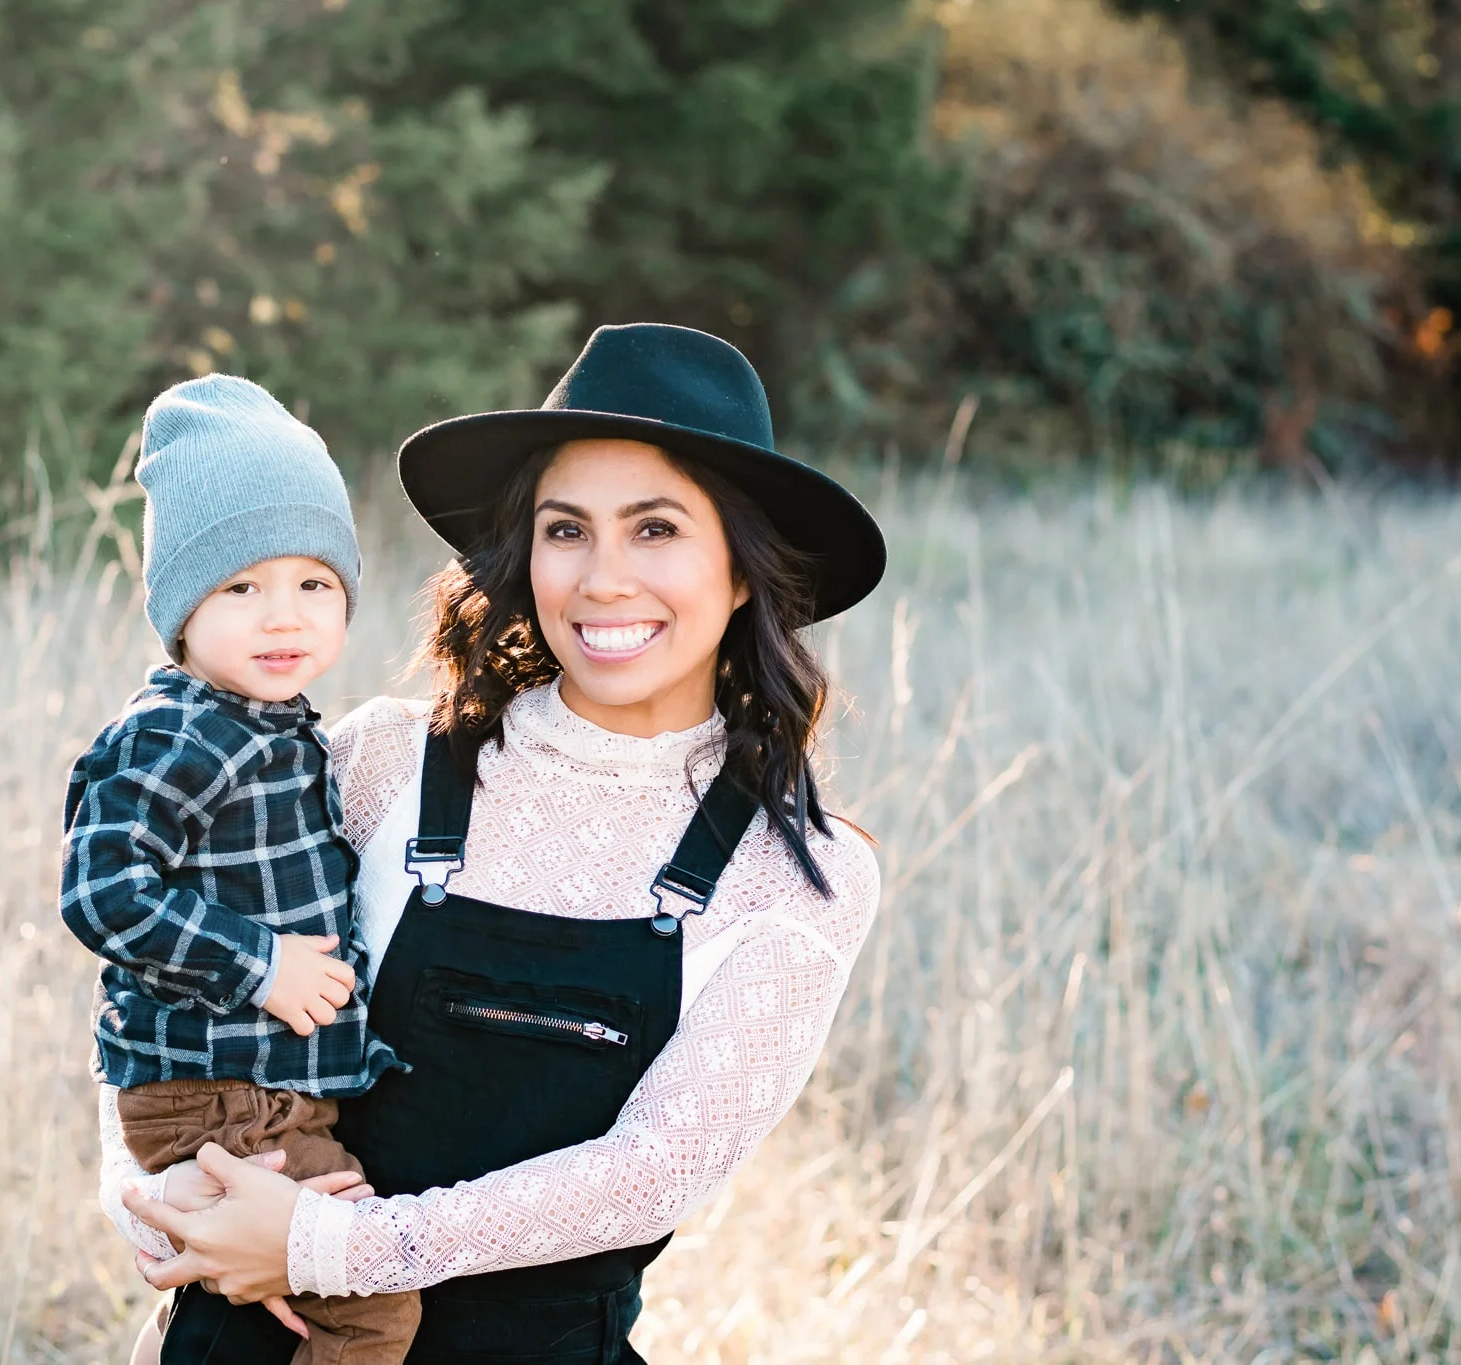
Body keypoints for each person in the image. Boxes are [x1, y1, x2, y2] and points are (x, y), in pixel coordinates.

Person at [101, 323, 888, 1364]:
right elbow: (153, 988)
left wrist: (333, 1249)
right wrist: (153, 1199)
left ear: (744, 571)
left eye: (654, 530)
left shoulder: (795, 872)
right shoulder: (379, 762)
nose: (601, 579)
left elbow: (657, 1169)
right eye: (565, 531)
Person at [61, 375, 419, 1363]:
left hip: (257, 1086)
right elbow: (101, 893)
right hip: (219, 1091)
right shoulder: (179, 730)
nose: (283, 616)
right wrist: (260, 965)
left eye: (314, 584)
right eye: (241, 586)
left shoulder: (274, 727)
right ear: (181, 608)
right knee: (370, 1308)